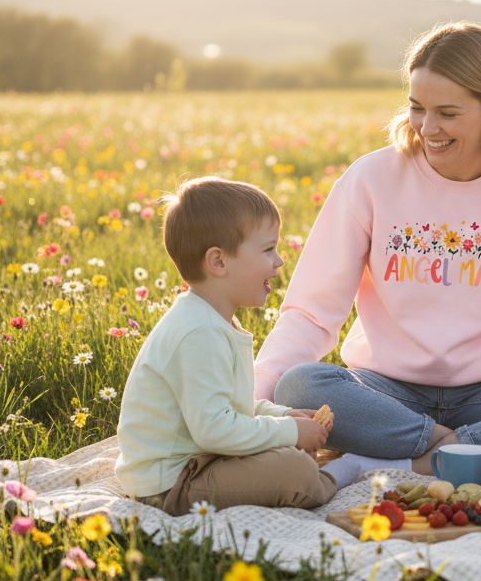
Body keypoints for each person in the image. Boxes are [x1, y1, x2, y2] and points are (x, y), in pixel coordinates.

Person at [254, 22, 481, 485]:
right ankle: (461, 450)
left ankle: (414, 455)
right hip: (383, 393)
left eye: (447, 113)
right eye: (417, 108)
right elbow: (311, 313)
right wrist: (252, 399)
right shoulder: (371, 179)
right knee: (300, 385)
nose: (428, 128)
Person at [115, 177, 339, 515]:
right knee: (296, 471)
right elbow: (215, 430)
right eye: (268, 250)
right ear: (218, 262)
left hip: (201, 461)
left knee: (291, 455)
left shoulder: (212, 320)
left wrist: (284, 416)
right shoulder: (198, 332)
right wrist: (291, 431)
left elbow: (233, 408)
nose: (278, 261)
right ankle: (338, 476)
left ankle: (311, 468)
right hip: (172, 483)